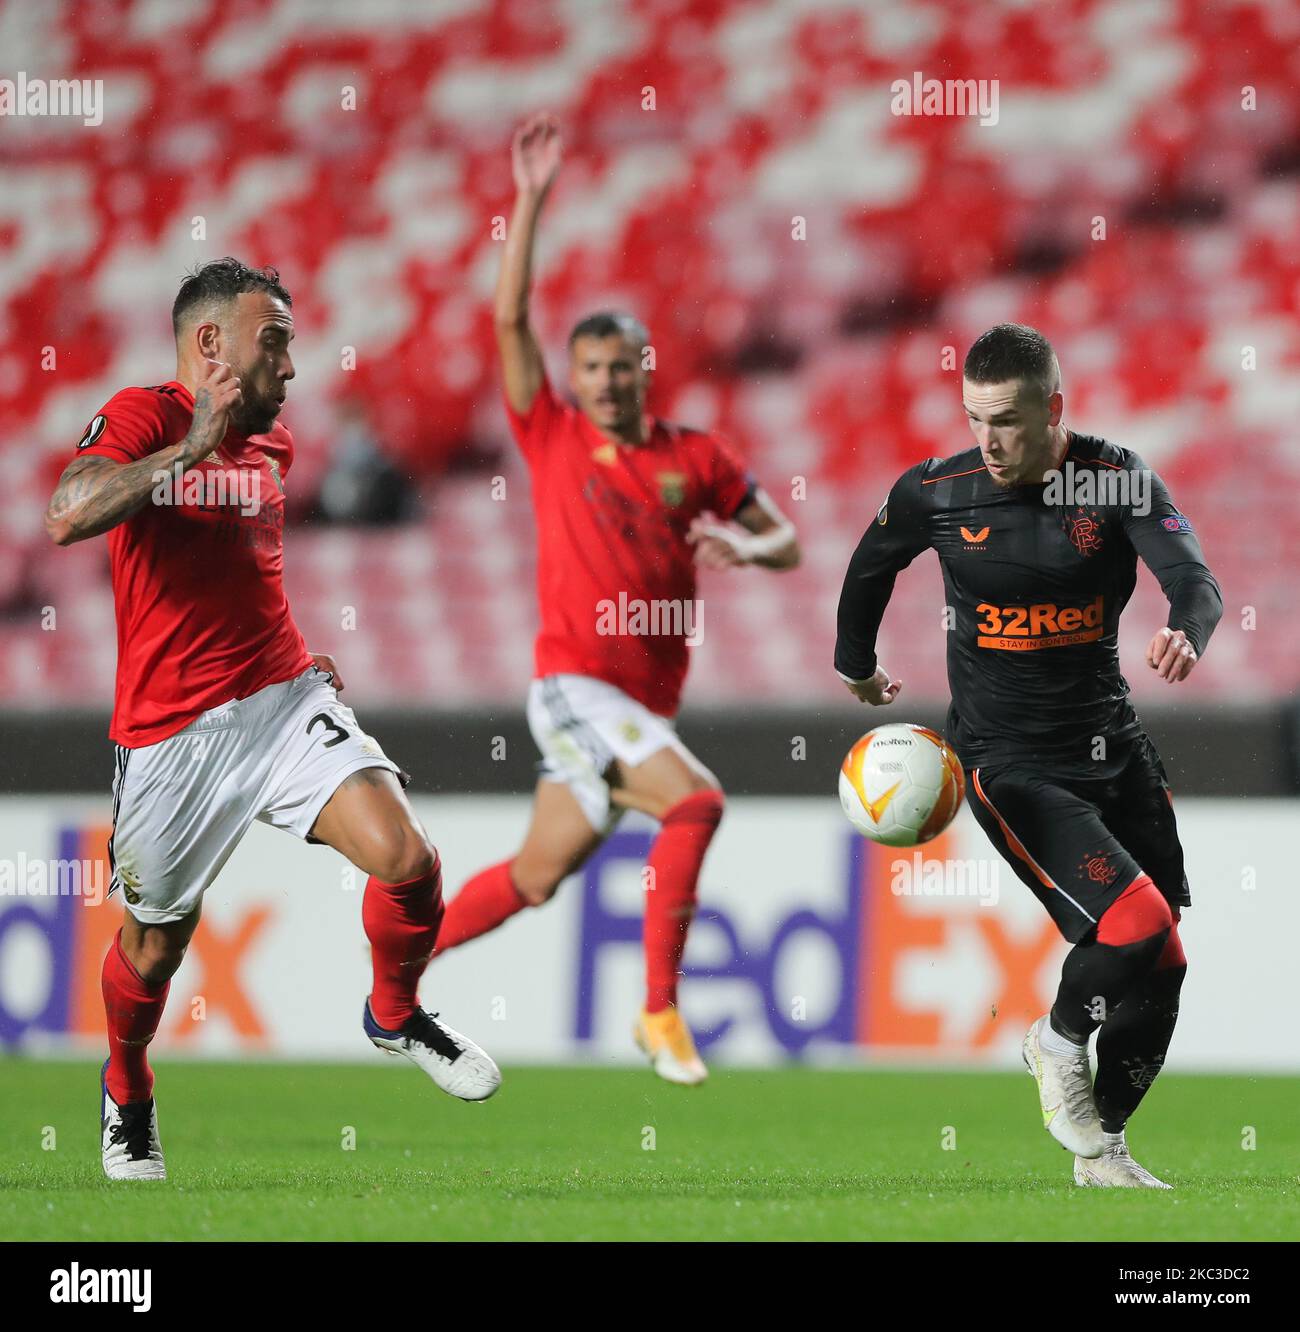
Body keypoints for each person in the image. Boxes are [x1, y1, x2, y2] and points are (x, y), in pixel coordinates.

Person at [44, 257, 499, 1181]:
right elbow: (66, 514)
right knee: (155, 945)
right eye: (276, 341)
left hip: (281, 702)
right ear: (211, 343)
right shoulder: (146, 416)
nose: (291, 367)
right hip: (173, 738)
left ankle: (394, 1011)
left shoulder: (275, 448)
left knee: (407, 859)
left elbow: (248, 577)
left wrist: (297, 656)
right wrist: (186, 448)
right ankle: (127, 1084)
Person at [433, 116, 801, 1086]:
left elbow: (787, 539)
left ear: (644, 370)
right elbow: (509, 324)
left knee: (535, 875)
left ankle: (401, 964)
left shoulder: (699, 457)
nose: (598, 382)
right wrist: (531, 202)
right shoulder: (550, 435)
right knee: (696, 805)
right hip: (572, 687)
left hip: (640, 704)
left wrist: (745, 547)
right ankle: (657, 1013)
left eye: (614, 367)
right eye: (586, 368)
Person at [835, 323, 1222, 1186]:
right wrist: (855, 665)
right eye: (975, 419)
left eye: (1007, 420)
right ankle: (1053, 1040)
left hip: (1113, 746)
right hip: (1008, 762)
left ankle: (1106, 1151)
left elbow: (1195, 578)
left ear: (1054, 408)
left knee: (1164, 965)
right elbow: (869, 567)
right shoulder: (940, 492)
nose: (989, 441)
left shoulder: (1114, 482)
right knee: (1138, 924)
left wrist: (1185, 631)